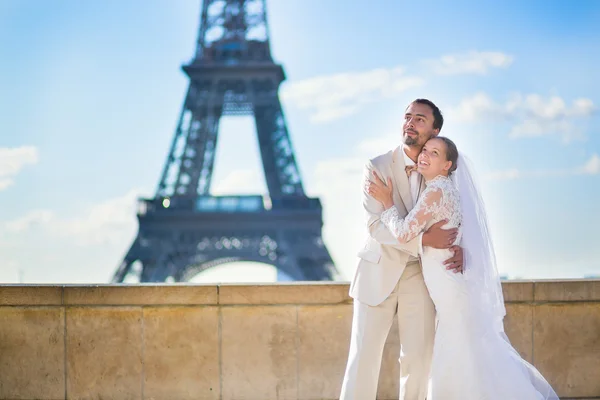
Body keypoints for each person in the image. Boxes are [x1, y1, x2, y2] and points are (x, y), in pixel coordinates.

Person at [366, 135, 559, 399]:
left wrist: (387, 203)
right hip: (451, 287)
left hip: (448, 291)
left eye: (434, 153)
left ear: (447, 165)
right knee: (470, 356)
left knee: (459, 354)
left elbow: (402, 232)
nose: (425, 155)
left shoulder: (435, 190)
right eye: (425, 150)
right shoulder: (444, 189)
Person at [339, 99, 463, 400]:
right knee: (363, 359)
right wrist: (424, 242)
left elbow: (454, 214)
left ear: (435, 129)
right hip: (377, 269)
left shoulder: (440, 168)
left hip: (420, 275)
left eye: (420, 119)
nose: (410, 122)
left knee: (418, 362)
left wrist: (458, 246)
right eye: (407, 116)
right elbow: (375, 227)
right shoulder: (378, 166)